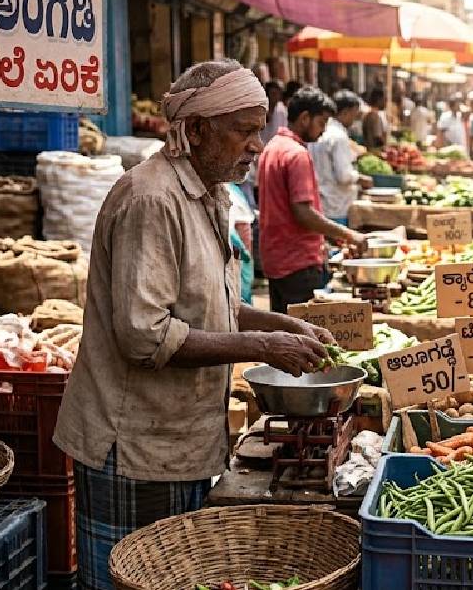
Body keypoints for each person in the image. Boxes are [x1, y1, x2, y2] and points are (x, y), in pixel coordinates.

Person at [54, 60, 340, 590]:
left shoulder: (209, 194)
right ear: (198, 129)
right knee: (132, 580)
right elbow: (145, 335)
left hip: (182, 440)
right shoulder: (152, 199)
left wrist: (284, 324)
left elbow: (212, 305)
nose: (256, 144)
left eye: (258, 129)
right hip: (135, 446)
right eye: (243, 130)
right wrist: (259, 345)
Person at [259, 87, 366, 313]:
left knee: (284, 331)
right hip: (297, 261)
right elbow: (303, 213)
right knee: (302, 336)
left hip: (276, 258)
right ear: (305, 118)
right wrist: (348, 234)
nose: (323, 130)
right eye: (322, 122)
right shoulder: (297, 154)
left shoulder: (272, 147)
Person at [310, 90, 370, 227]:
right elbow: (343, 176)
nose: (354, 120)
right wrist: (360, 178)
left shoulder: (319, 131)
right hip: (336, 205)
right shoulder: (338, 136)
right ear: (345, 112)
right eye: (354, 115)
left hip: (322, 201)